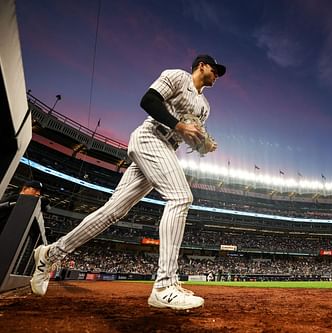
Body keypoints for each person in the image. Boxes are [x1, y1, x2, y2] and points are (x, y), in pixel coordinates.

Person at [30, 54, 226, 310]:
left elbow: (189, 136)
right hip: (149, 138)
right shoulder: (178, 77)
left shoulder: (205, 107)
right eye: (215, 70)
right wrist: (178, 125)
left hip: (165, 147)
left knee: (113, 211)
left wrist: (203, 144)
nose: (218, 75)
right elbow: (148, 100)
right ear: (202, 66)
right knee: (181, 197)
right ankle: (165, 285)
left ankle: (50, 254)